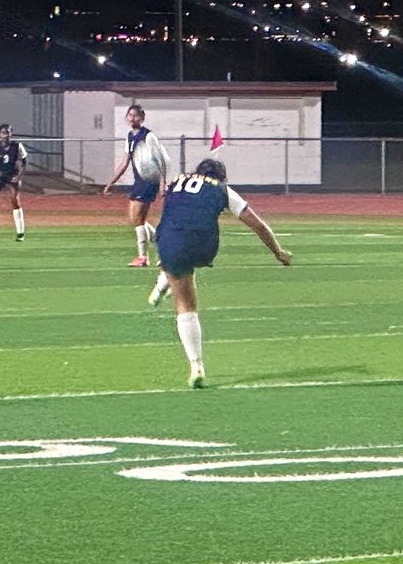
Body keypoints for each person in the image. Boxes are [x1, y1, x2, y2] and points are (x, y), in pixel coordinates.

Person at [147, 158, 292, 388]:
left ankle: (196, 365)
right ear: (221, 177)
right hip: (204, 244)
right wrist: (278, 252)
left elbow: (176, 213)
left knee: (183, 296)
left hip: (170, 240)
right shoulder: (222, 189)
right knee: (185, 264)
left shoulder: (176, 182)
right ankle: (166, 277)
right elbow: (259, 225)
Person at [102, 104, 169, 266]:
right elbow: (125, 162)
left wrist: (162, 183)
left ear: (142, 118)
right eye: (130, 115)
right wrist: (111, 182)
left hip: (148, 181)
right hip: (139, 180)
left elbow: (161, 160)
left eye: (136, 116)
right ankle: (164, 250)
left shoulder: (148, 136)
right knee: (136, 219)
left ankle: (143, 257)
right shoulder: (130, 137)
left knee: (137, 218)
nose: (133, 118)